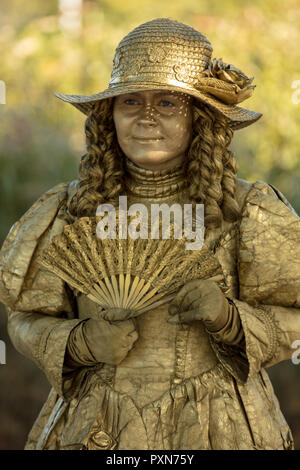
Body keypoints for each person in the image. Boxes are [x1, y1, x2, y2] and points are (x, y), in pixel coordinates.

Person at [0, 18, 300, 450]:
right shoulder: (72, 210)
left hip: (219, 427)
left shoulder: (245, 211)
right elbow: (24, 319)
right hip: (95, 426)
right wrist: (80, 343)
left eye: (167, 103)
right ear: (110, 115)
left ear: (201, 115)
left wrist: (230, 319)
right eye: (130, 102)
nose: (146, 118)